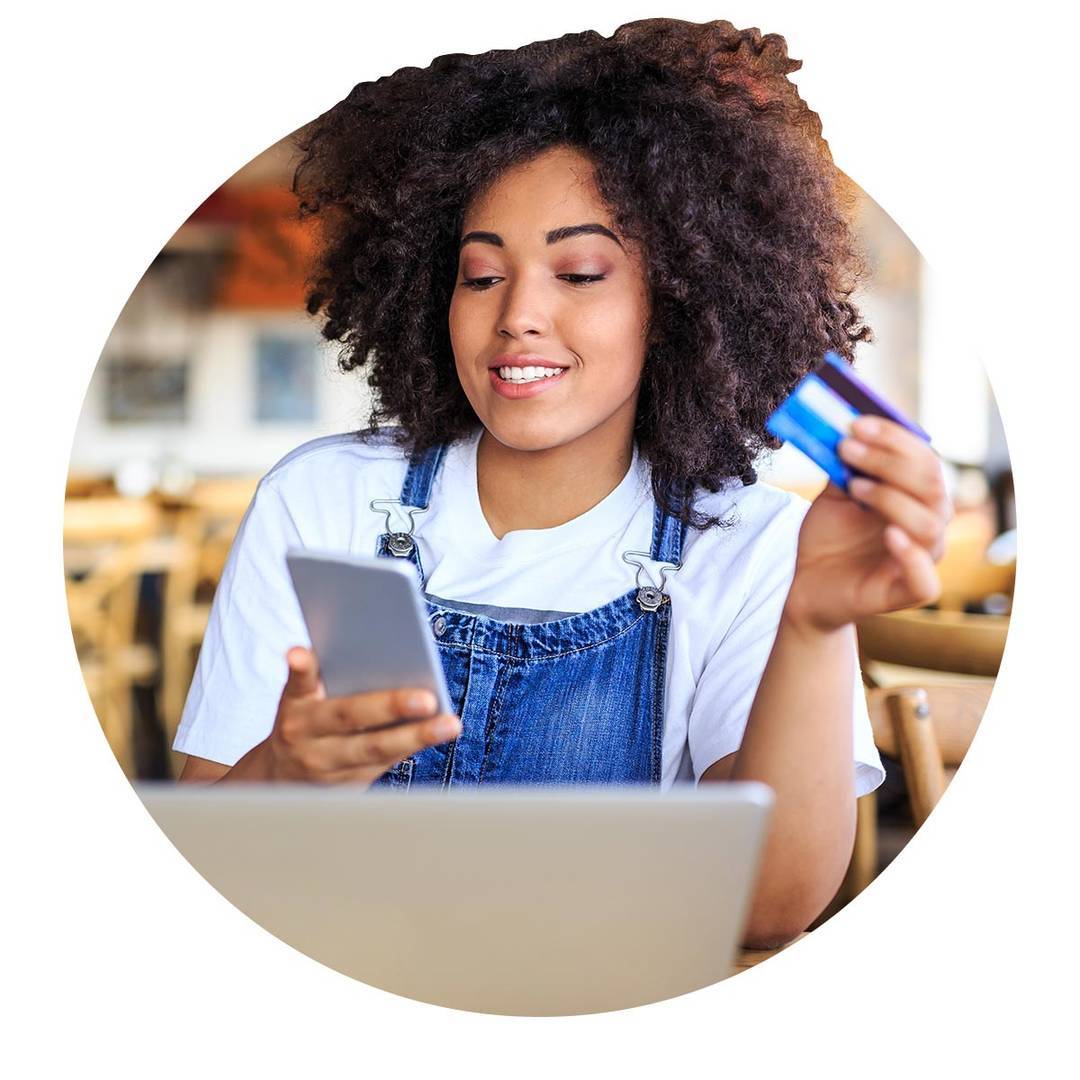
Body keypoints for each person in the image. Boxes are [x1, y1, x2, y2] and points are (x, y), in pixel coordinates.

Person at [175, 18, 951, 947]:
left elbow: (766, 909)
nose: (518, 316)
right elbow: (208, 861)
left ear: (678, 304)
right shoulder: (321, 501)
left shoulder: (749, 544)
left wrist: (813, 625)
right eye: (479, 275)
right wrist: (288, 777)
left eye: (580, 272)